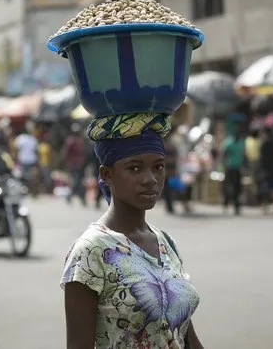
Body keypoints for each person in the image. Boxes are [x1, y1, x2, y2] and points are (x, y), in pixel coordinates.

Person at [62, 114, 204, 349]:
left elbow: (184, 334)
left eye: (158, 167)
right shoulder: (91, 251)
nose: (150, 179)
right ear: (106, 175)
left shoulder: (164, 242)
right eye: (135, 168)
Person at [221, 125, 246, 215]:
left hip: (237, 168)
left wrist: (243, 166)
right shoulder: (228, 143)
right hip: (229, 167)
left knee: (237, 188)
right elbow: (223, 154)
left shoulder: (241, 143)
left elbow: (243, 155)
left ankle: (237, 206)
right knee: (228, 187)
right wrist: (224, 164)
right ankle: (226, 204)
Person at [63, 123, 87, 207]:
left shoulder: (80, 140)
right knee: (76, 182)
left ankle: (81, 198)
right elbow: (66, 153)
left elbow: (83, 152)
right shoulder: (70, 140)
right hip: (73, 164)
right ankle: (77, 198)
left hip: (80, 164)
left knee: (79, 182)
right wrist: (68, 164)